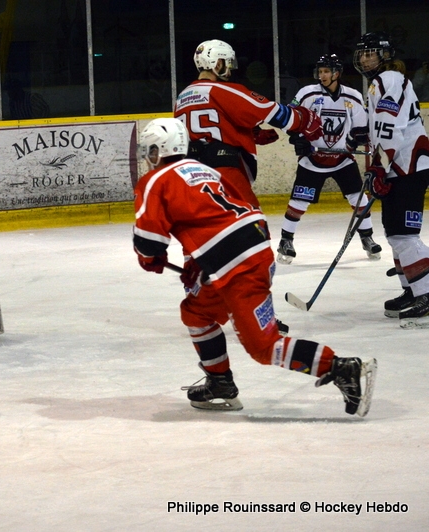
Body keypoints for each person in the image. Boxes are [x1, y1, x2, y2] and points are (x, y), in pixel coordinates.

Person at [132, 117, 376, 416]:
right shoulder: (204, 169)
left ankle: (339, 367)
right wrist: (201, 261)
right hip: (254, 247)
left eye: (150, 150)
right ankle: (219, 382)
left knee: (263, 348)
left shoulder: (155, 180)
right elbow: (229, 212)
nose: (148, 158)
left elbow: (149, 243)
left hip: (236, 265)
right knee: (196, 312)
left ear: (158, 150)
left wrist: (150, 259)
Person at [174, 39, 324, 209]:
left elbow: (210, 127)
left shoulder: (182, 97)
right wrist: (304, 119)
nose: (230, 70)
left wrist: (251, 133)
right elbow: (269, 111)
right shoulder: (222, 90)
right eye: (228, 63)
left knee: (206, 222)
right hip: (223, 171)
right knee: (250, 221)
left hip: (190, 174)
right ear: (218, 63)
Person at [353, 32, 429, 328]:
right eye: (362, 54)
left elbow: (390, 128)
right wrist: (362, 137)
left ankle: (425, 293)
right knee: (394, 231)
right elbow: (380, 126)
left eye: (370, 53)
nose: (364, 59)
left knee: (404, 235)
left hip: (408, 166)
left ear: (384, 55)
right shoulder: (380, 83)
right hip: (398, 165)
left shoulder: (390, 79)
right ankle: (412, 288)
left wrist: (378, 166)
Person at [277, 53, 381, 264]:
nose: (322, 75)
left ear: (337, 73)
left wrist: (356, 139)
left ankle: (367, 238)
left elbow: (361, 127)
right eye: (320, 71)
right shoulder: (307, 93)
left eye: (326, 71)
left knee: (358, 198)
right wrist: (298, 138)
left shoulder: (352, 96)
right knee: (299, 201)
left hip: (342, 159)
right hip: (312, 160)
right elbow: (291, 119)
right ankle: (286, 241)